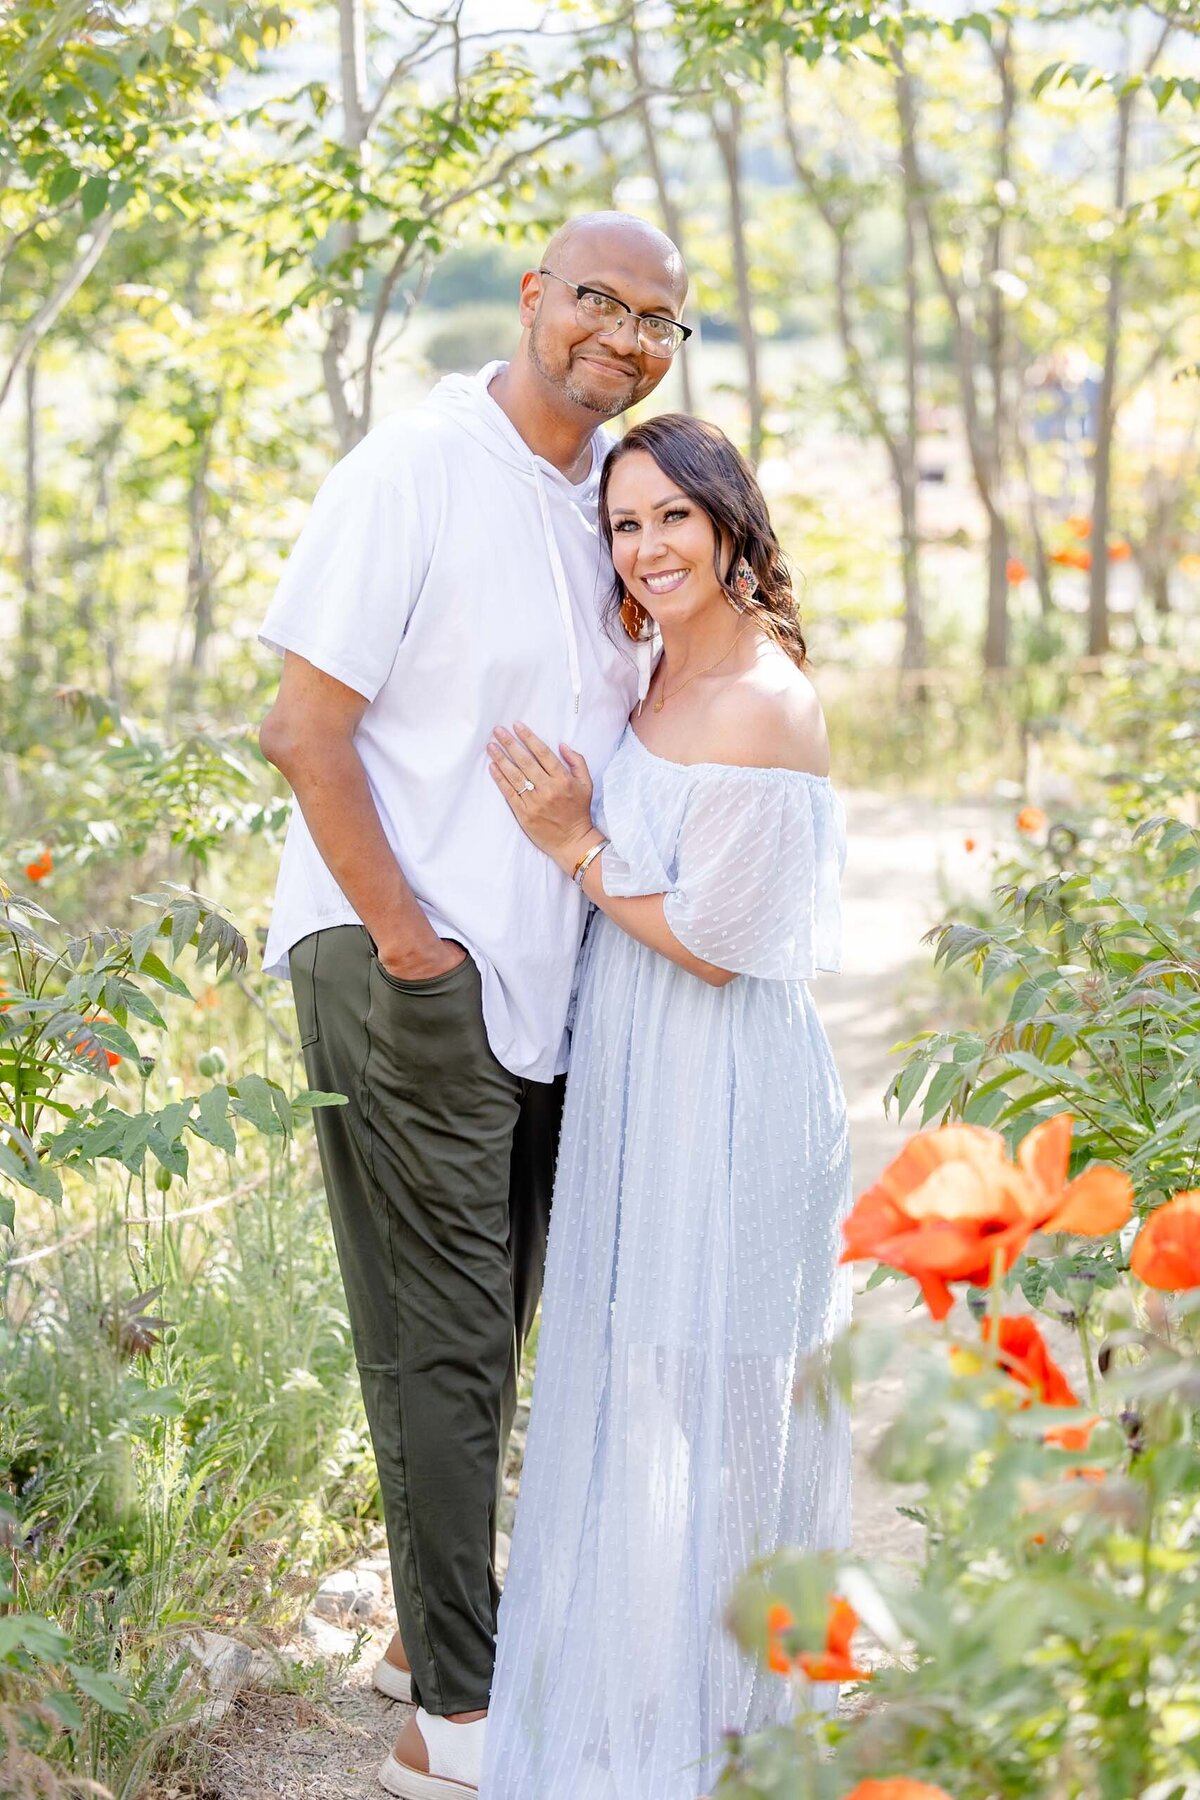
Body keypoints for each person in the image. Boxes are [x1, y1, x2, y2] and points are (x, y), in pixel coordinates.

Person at [257, 214, 689, 1800]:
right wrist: (407, 938)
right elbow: (302, 726)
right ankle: (457, 1713)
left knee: (489, 1331)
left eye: (658, 321)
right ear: (533, 300)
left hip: (542, 976)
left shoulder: (605, 500)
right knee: (448, 1340)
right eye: (598, 298)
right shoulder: (415, 470)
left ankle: (412, 1636)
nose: (625, 335)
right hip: (404, 952)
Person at [481, 414, 852, 1800]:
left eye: (671, 520)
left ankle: (752, 1728)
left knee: (734, 1405)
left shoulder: (766, 699)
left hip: (735, 1089)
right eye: (624, 526)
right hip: (647, 1080)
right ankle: (691, 1695)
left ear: (729, 526)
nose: (645, 549)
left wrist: (574, 845)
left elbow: (724, 937)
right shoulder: (644, 678)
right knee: (663, 1399)